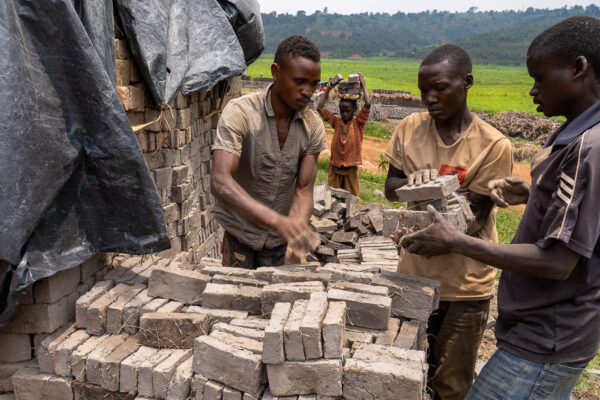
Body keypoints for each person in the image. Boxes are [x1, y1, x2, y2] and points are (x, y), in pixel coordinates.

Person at [401, 16, 600, 400]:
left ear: (578, 68)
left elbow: (558, 262)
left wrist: (456, 240)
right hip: (552, 331)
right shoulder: (572, 132)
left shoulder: (588, 147)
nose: (532, 90)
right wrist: (536, 192)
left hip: (547, 337)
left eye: (540, 78)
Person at [383, 44, 513, 399]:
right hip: (412, 278)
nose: (429, 98)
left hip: (464, 287)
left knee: (451, 384)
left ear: (466, 82)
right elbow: (390, 188)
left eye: (440, 88)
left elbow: (474, 218)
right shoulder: (410, 128)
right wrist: (413, 184)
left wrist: (427, 205)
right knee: (405, 374)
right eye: (424, 90)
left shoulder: (493, 145)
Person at [210, 35, 326, 269]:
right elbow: (220, 180)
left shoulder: (313, 126)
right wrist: (278, 222)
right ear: (276, 72)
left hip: (278, 244)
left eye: (314, 84)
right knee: (234, 300)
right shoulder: (241, 112)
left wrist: (296, 231)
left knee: (274, 303)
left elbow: (304, 190)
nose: (308, 91)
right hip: (240, 238)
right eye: (300, 81)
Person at [316, 73, 370, 196]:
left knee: (351, 198)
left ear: (355, 110)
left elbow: (367, 104)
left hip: (351, 168)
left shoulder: (358, 123)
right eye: (342, 111)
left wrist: (363, 83)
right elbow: (319, 107)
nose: (344, 114)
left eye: (347, 111)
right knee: (332, 197)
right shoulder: (336, 121)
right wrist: (329, 87)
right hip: (335, 167)